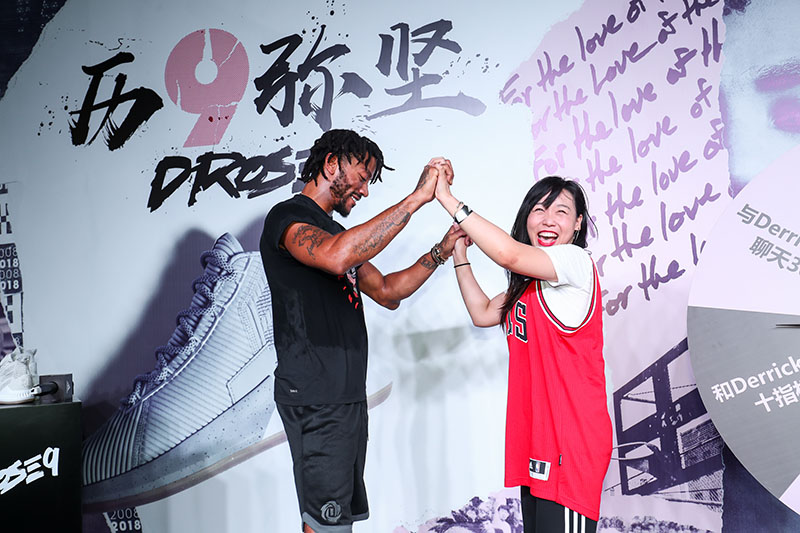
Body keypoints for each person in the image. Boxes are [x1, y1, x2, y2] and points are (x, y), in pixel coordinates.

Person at [259, 129, 461, 533]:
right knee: (325, 526)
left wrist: (442, 249)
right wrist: (417, 198)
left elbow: (387, 291)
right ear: (331, 163)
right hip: (317, 399)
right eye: (363, 177)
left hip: (344, 398)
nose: (365, 191)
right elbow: (336, 258)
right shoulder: (288, 217)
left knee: (337, 523)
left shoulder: (336, 235)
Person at [433, 170, 611, 533]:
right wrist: (459, 254)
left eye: (561, 211)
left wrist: (447, 199)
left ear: (578, 223)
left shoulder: (575, 263)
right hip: (538, 441)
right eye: (539, 209)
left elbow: (508, 254)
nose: (548, 220)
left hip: (570, 443)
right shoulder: (529, 284)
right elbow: (482, 312)